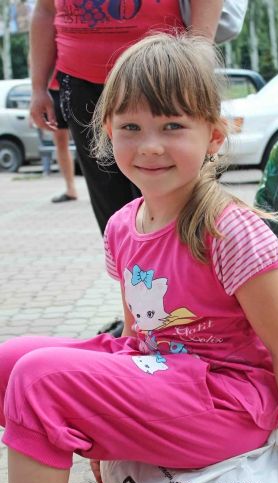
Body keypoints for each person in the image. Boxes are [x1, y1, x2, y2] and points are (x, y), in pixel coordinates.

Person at [0, 34, 278, 483]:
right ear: (106, 132)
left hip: (224, 401)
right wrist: (103, 424)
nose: (150, 146)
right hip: (160, 375)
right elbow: (137, 334)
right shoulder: (123, 224)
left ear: (213, 136)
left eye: (172, 126)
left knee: (41, 378)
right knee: (12, 361)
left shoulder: (228, 230)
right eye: (131, 127)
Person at [29, 0, 223, 337]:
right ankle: (139, 317)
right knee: (116, 214)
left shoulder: (241, 232)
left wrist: (198, 63)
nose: (149, 147)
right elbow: (45, 10)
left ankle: (201, 312)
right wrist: (37, 87)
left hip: (163, 75)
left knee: (185, 203)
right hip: (82, 80)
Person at [48, 76, 78, 203]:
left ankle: (101, 189)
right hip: (52, 91)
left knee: (90, 140)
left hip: (74, 85)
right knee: (60, 143)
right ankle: (70, 189)